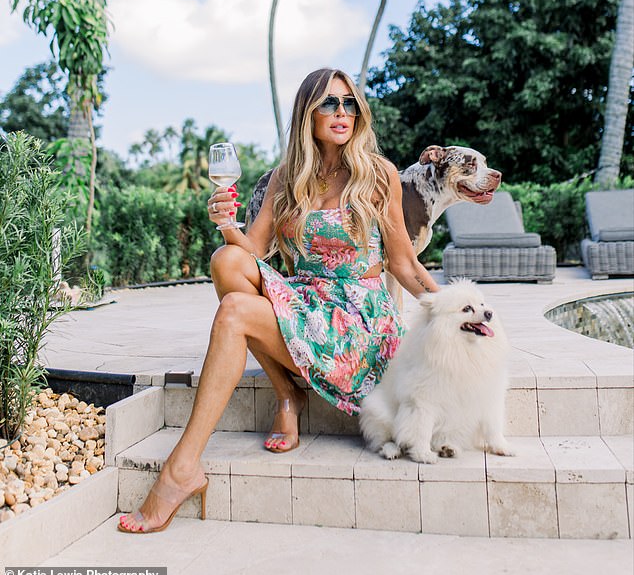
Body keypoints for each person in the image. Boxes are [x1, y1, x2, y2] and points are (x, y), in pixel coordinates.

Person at [118, 67, 439, 533]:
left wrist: (457, 310)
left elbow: (404, 266)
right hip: (307, 303)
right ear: (307, 112)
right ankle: (286, 391)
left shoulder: (378, 174)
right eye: (330, 103)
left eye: (349, 103)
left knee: (234, 311)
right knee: (226, 260)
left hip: (356, 322)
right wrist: (226, 223)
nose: (342, 112)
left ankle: (182, 468)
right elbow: (252, 250)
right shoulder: (287, 177)